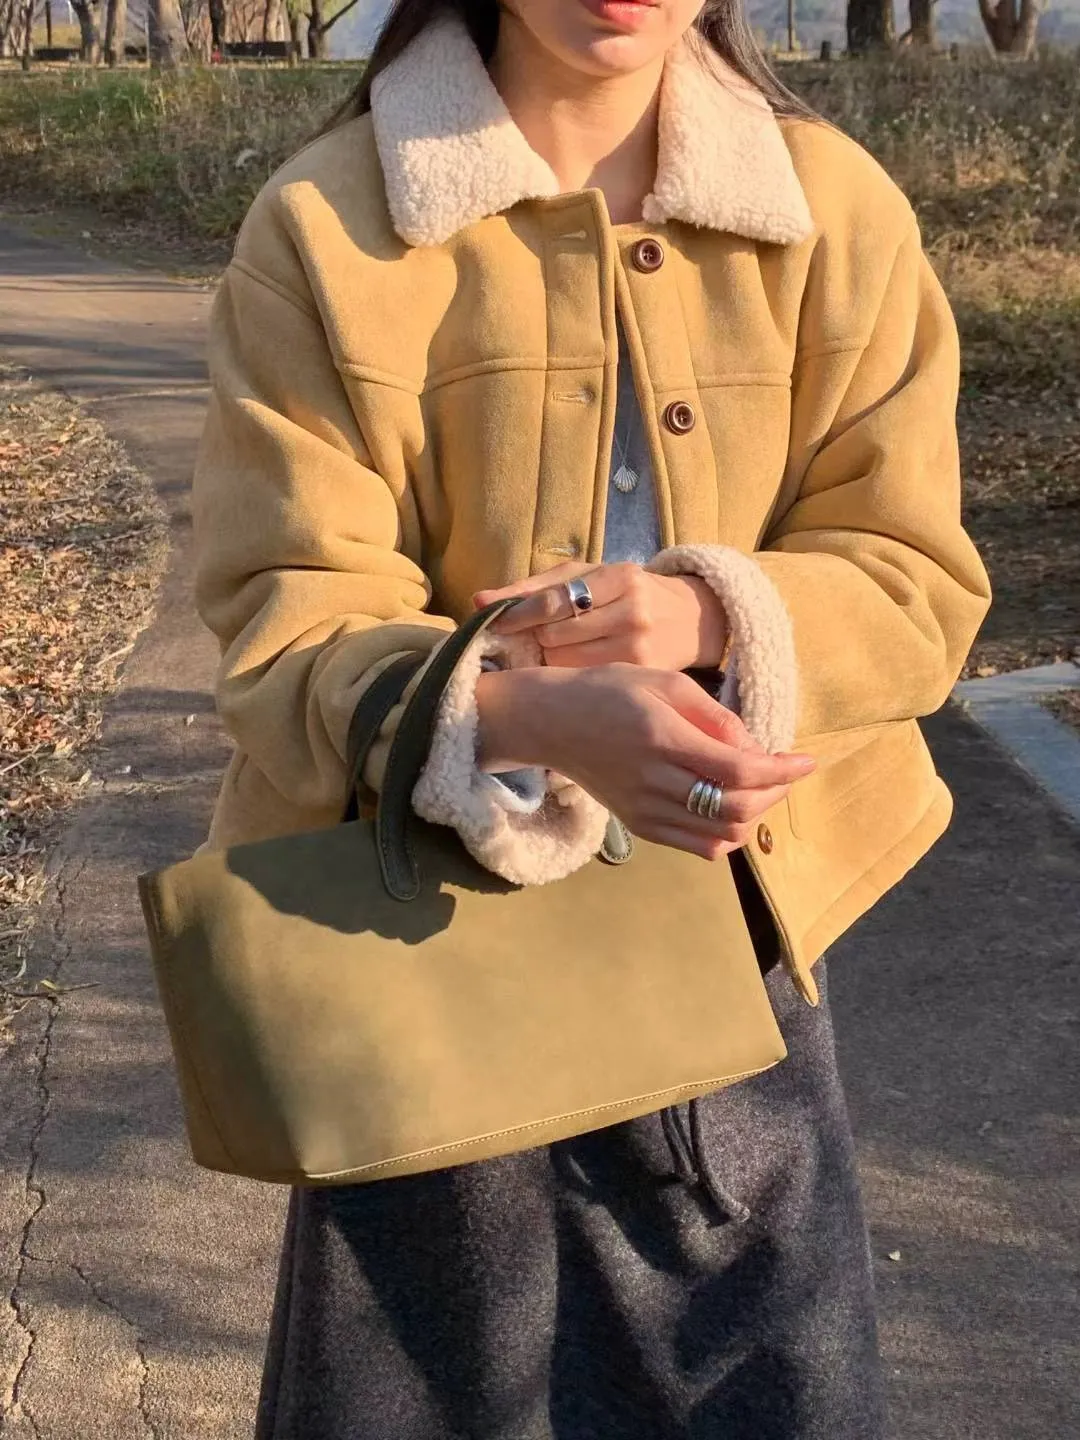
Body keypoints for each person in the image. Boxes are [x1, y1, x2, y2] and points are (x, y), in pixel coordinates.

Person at [192, 1, 991, 1435]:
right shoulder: (327, 224)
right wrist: (526, 715)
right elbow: (287, 619)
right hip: (417, 971)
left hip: (738, 951)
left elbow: (917, 580)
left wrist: (708, 614)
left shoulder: (832, 210)